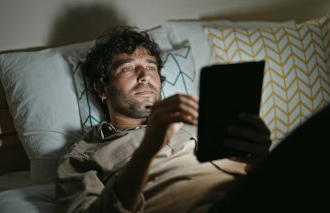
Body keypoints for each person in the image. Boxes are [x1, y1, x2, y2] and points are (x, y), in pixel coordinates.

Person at [56, 26, 272, 213]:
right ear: (102, 88)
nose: (145, 76)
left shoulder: (201, 120)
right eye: (128, 68)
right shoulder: (83, 156)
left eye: (151, 67)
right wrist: (147, 150)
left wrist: (259, 157)